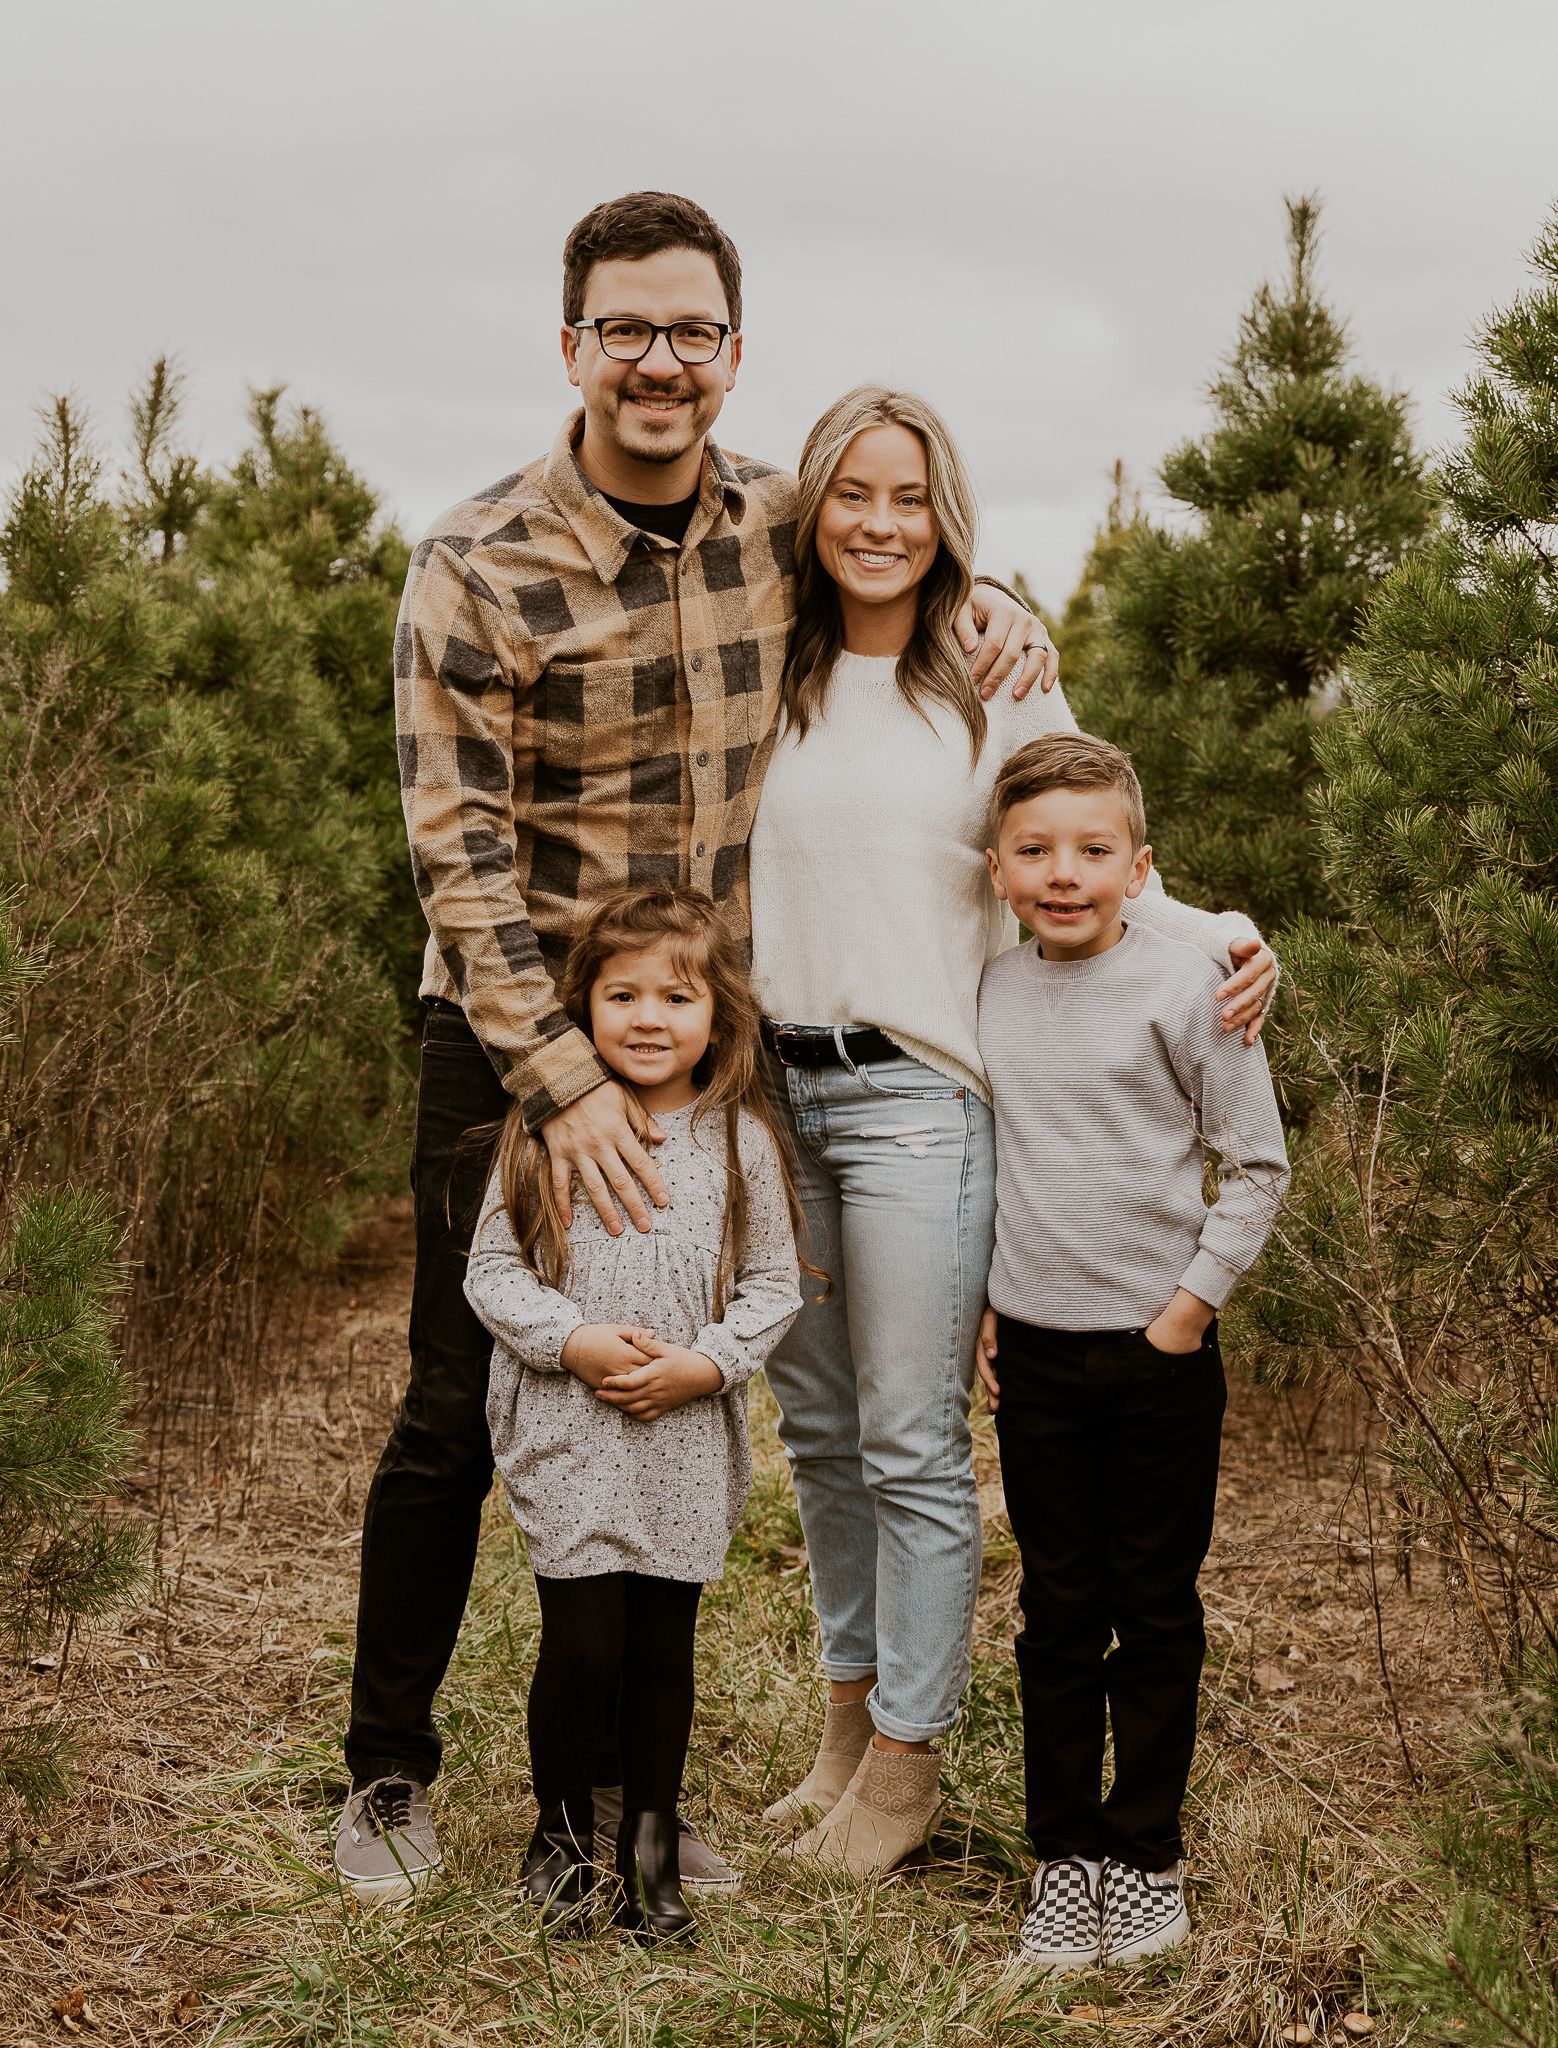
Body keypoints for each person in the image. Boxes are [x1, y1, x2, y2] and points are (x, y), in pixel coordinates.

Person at [334, 191, 1048, 1902]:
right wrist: (558, 1076)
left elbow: (907, 531)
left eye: (692, 332)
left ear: (733, 353)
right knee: (461, 1396)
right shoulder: (477, 559)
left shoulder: (772, 520)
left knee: (673, 1414)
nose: (660, 361)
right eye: (625, 329)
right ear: (569, 343)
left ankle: (613, 1786)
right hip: (513, 1037)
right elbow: (458, 847)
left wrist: (1002, 596)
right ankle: (384, 1774)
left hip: (712, 1048)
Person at [749, 389, 1280, 1878]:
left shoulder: (988, 673)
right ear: (809, 508)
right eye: (849, 493)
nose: (876, 523)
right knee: (818, 1436)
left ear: (945, 516)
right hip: (771, 1090)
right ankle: (846, 1726)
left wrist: (1218, 927)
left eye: (908, 497)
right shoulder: (761, 674)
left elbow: (1077, 847)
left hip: (916, 1096)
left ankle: (911, 1764)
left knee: (911, 1439)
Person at [973, 732, 1290, 1969]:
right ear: (997, 870)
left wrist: (1186, 1315)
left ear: (1138, 867)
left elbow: (1258, 1166)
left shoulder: (1191, 986)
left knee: (1152, 1606)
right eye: (1037, 851)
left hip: (1158, 1356)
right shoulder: (991, 991)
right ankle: (1066, 1856)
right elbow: (1004, 1163)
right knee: (1058, 1610)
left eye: (1093, 851)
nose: (1065, 873)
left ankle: (1145, 1854)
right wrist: (995, 1303)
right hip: (1036, 1359)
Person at [464, 886, 802, 1940]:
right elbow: (491, 1270)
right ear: (583, 1007)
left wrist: (708, 1362)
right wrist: (573, 1339)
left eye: (676, 994)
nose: (648, 1016)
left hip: (686, 1434)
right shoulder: (543, 1128)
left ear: (720, 1013)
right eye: (622, 994)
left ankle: (649, 1847)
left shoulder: (742, 1138)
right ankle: (560, 1840)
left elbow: (774, 1285)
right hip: (573, 1427)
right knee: (584, 1642)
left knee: (661, 1646)